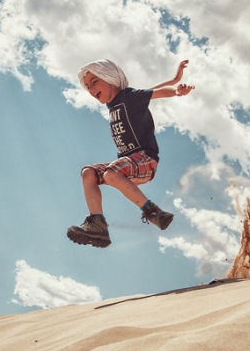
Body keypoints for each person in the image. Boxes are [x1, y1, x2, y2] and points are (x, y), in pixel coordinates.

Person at [67, 59, 194, 248]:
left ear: (110, 78)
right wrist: (174, 78)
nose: (92, 90)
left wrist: (176, 90)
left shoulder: (130, 97)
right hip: (126, 168)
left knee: (111, 173)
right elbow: (150, 91)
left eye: (95, 82)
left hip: (145, 160)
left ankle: (153, 212)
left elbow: (155, 93)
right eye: (88, 87)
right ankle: (98, 225)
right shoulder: (118, 102)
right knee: (88, 173)